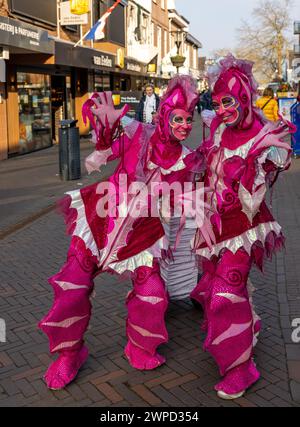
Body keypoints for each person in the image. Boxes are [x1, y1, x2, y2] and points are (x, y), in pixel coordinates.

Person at [39, 75, 207, 390]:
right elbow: (101, 155)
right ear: (163, 117)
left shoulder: (190, 159)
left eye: (189, 119)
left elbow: (209, 181)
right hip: (99, 221)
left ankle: (140, 346)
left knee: (153, 293)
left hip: (143, 235)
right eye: (178, 118)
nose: (185, 125)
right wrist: (103, 129)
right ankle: (68, 354)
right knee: (72, 285)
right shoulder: (136, 133)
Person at [191, 54, 295, 400]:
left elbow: (254, 200)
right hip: (214, 226)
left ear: (245, 98)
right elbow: (209, 173)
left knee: (225, 294)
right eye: (217, 102)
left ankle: (242, 368)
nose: (222, 110)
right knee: (209, 292)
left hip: (245, 227)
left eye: (229, 101)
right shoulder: (219, 130)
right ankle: (247, 325)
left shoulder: (264, 136)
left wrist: (254, 162)